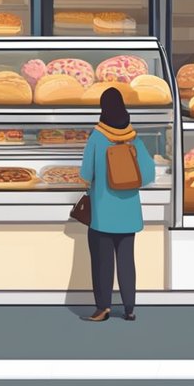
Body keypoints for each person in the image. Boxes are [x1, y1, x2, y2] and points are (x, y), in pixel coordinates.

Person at [78, 87, 155, 323]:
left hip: (102, 213)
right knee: (126, 262)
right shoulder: (134, 137)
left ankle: (103, 309)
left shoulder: (97, 136)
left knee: (102, 263)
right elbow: (149, 174)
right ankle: (129, 308)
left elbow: (85, 174)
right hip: (129, 213)